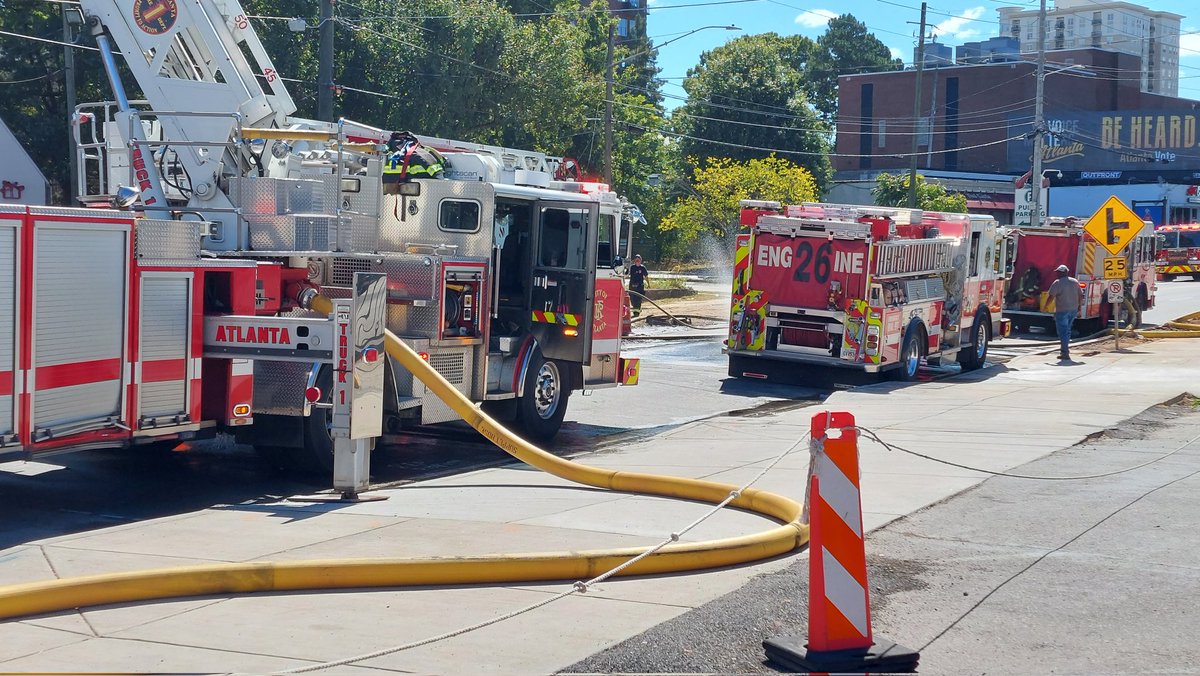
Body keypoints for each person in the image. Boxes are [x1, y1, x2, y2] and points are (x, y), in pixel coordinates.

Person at [1046, 264, 1085, 361]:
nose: (1057, 274)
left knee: (1062, 332)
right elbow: (1081, 295)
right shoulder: (1074, 282)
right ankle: (1064, 351)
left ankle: (1065, 353)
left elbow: (1051, 296)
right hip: (1073, 310)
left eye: (1058, 272)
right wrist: (1079, 307)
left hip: (1062, 311)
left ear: (1061, 273)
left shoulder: (1057, 283)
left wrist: (1046, 306)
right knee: (1067, 331)